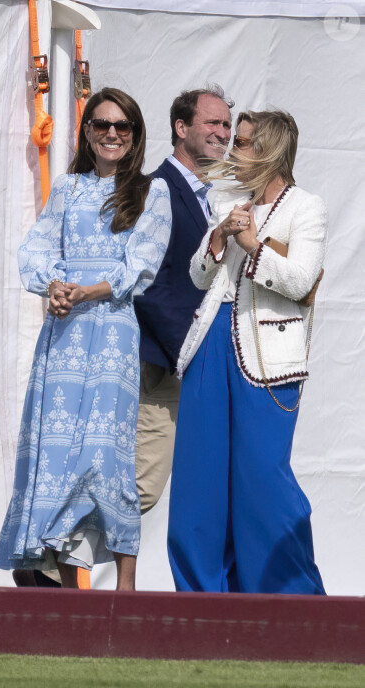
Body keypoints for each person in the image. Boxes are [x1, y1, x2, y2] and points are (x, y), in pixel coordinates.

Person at [0, 87, 171, 590]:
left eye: (122, 126)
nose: (111, 134)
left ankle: (126, 583)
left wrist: (88, 289)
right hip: (64, 336)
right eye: (101, 125)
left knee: (104, 455)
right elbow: (35, 249)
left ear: (135, 134)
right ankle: (62, 573)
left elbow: (142, 262)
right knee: (56, 452)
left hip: (112, 334)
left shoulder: (150, 191)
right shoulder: (68, 189)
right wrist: (53, 285)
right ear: (87, 133)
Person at [168, 109, 326, 594]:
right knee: (199, 481)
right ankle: (201, 601)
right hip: (211, 342)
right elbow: (199, 275)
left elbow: (301, 280)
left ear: (270, 152)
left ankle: (293, 602)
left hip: (268, 357)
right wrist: (217, 240)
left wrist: (252, 243)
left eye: (242, 142)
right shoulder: (226, 199)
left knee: (262, 482)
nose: (230, 148)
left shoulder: (307, 207)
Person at [133, 86, 233, 514]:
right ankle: (45, 565)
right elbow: (146, 282)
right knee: (141, 486)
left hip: (195, 365)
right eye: (213, 122)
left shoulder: (219, 199)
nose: (223, 132)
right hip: (161, 362)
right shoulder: (154, 190)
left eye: (227, 124)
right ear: (181, 127)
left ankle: (47, 565)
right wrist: (189, 351)